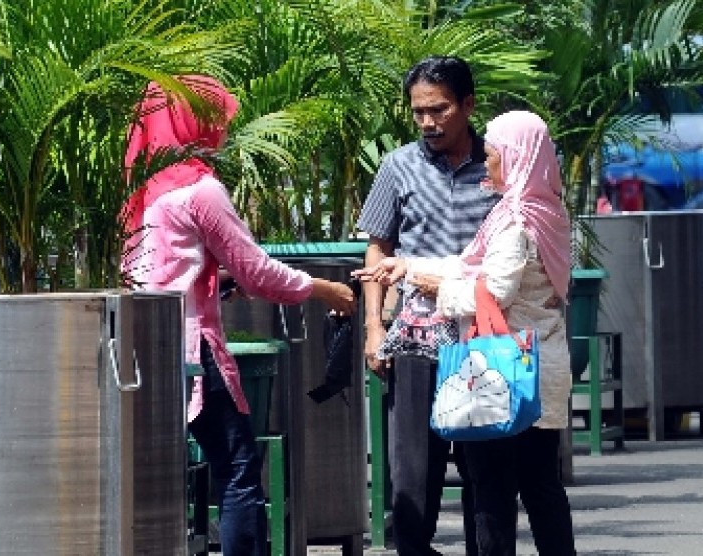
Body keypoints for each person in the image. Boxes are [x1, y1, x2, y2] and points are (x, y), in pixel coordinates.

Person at [120, 75, 356, 555]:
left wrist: (214, 280)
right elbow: (258, 272)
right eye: (215, 118)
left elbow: (163, 272)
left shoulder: (142, 191)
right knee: (238, 470)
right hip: (192, 351)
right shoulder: (199, 191)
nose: (224, 130)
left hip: (141, 347)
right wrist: (324, 288)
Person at [355, 110, 577, 555]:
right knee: (540, 485)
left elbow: (489, 294)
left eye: (494, 157)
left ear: (517, 159)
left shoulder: (514, 222)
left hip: (502, 370)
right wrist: (411, 265)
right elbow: (473, 266)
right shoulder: (544, 208)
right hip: (539, 365)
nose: (487, 165)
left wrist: (426, 283)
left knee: (492, 487)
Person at [356, 55, 499, 556]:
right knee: (412, 465)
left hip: (485, 335)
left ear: (467, 105)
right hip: (416, 336)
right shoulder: (398, 166)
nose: (427, 123)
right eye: (418, 112)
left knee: (486, 462)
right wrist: (374, 327)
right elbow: (378, 248)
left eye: (438, 110)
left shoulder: (499, 164)